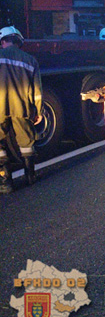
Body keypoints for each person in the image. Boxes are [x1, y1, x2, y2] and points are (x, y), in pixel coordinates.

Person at [0, 26, 42, 193]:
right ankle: (30, 177)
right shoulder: (30, 60)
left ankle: (5, 183)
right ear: (18, 41)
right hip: (21, 107)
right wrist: (38, 111)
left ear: (3, 41)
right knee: (26, 142)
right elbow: (37, 91)